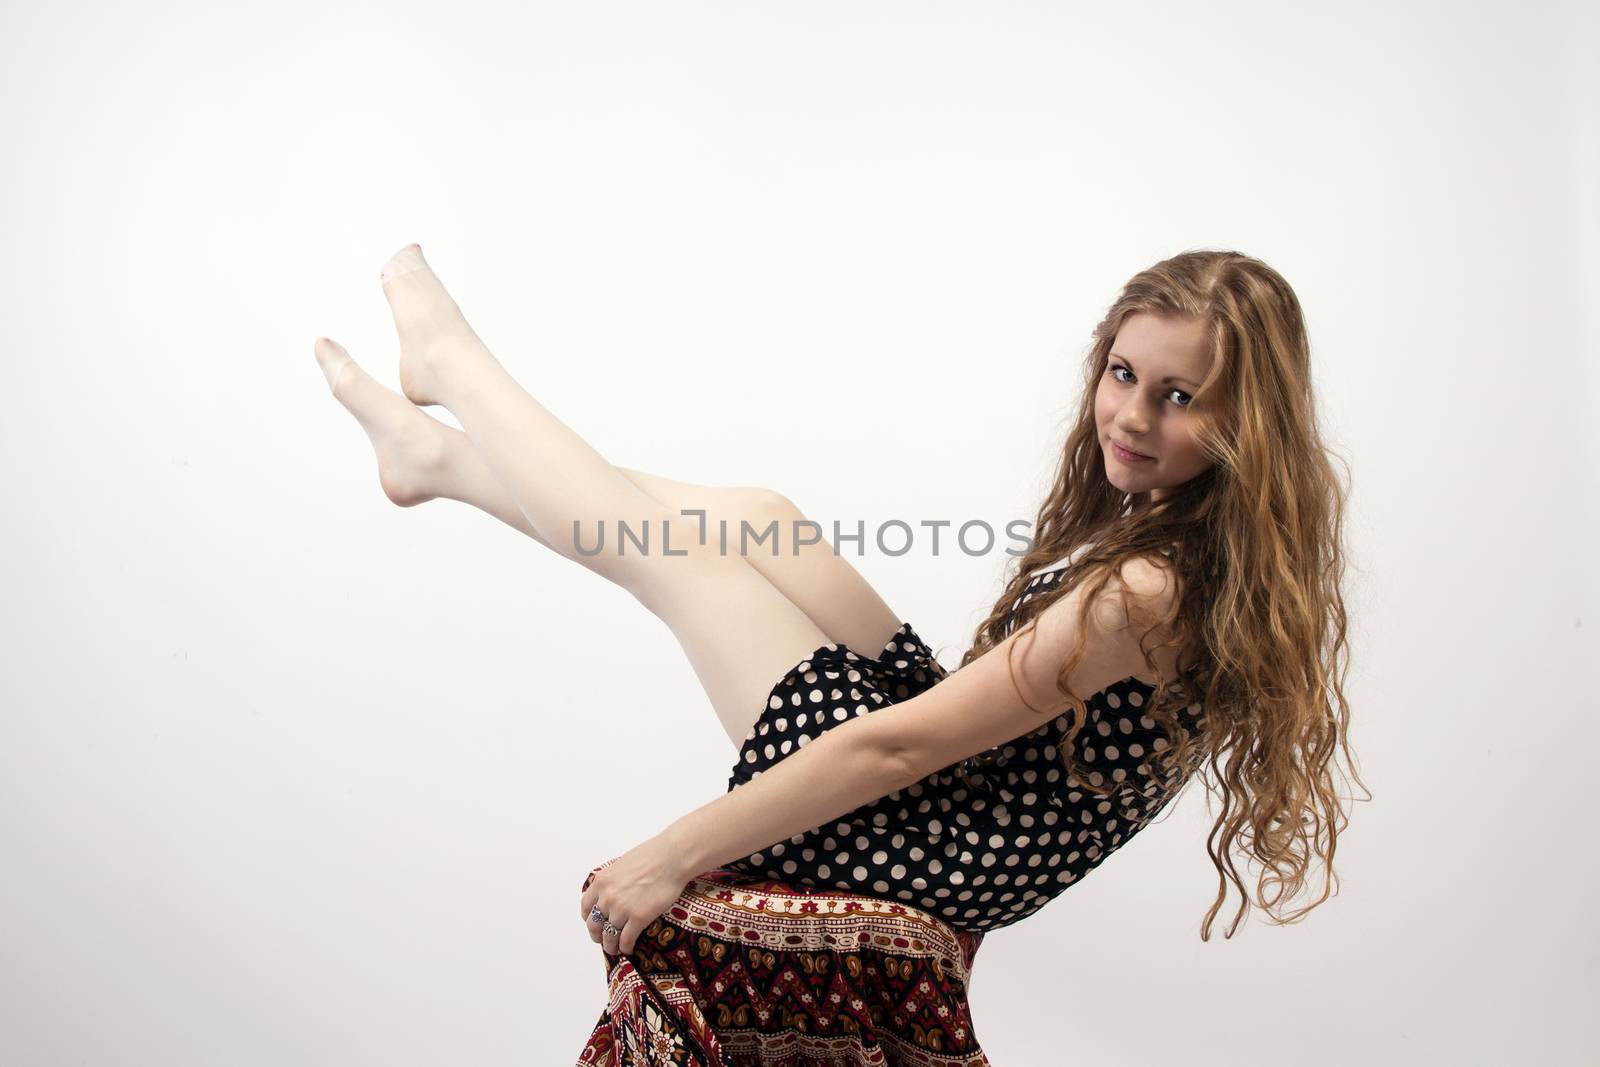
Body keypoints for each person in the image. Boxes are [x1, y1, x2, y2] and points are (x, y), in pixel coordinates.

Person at [315, 245, 1364, 1061]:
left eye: (1176, 397)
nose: (1130, 414)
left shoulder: (1142, 591)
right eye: (1123, 373)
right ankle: (446, 457)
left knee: (690, 565)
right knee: (764, 518)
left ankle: (454, 374)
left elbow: (893, 750)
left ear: (1244, 421)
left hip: (930, 832)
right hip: (957, 794)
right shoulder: (1198, 548)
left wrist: (673, 850)